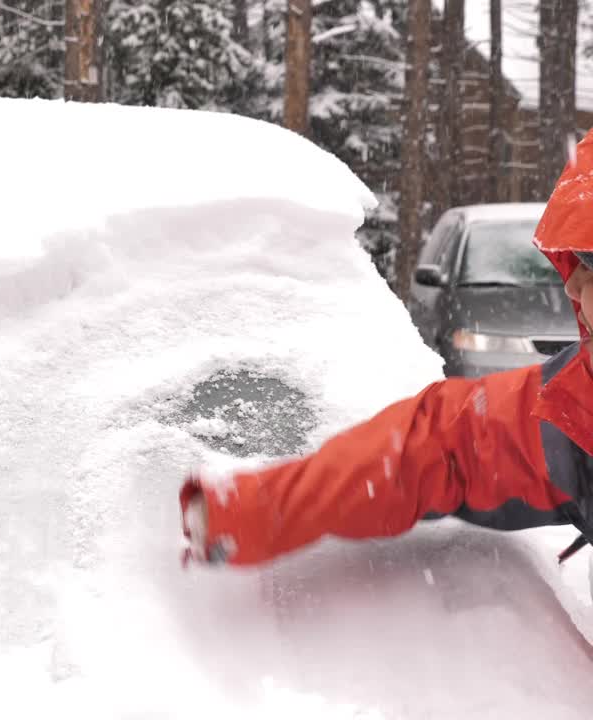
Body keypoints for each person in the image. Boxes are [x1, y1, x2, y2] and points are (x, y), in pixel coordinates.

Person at [180, 134, 593, 567]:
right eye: (576, 263)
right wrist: (250, 509)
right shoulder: (573, 412)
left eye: (590, 265)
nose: (571, 284)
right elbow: (437, 447)